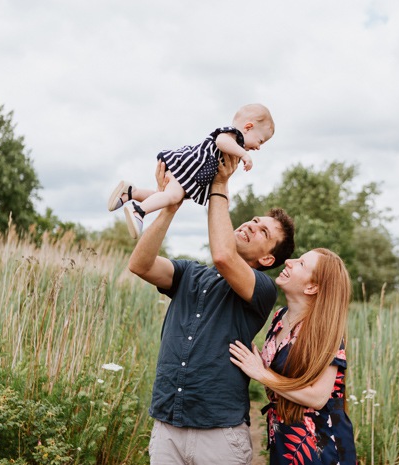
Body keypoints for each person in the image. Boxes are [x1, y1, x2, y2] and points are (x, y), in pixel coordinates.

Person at [127, 154, 295, 464]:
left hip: (219, 434)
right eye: (256, 221)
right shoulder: (189, 272)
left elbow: (223, 256)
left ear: (268, 259)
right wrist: (169, 208)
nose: (252, 226)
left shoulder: (262, 288)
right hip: (167, 424)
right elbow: (140, 265)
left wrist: (220, 183)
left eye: (264, 233)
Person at [229, 248, 357, 465]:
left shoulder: (324, 331)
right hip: (284, 436)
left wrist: (262, 374)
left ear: (312, 287)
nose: (288, 261)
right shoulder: (280, 316)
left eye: (300, 264)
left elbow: (317, 398)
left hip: (319, 445)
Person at [108, 103, 275, 239]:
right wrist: (244, 154)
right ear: (248, 127)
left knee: (168, 198)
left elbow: (223, 175)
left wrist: (225, 193)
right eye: (260, 140)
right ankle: (139, 211)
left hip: (191, 176)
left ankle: (130, 193)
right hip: (187, 167)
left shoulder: (235, 150)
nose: (259, 147)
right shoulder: (233, 136)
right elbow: (220, 141)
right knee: (172, 196)